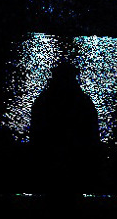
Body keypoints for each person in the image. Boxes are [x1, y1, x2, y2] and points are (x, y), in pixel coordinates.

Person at [30, 62, 103, 204]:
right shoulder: (83, 102)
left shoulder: (43, 101)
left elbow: (36, 133)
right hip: (76, 161)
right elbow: (92, 133)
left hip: (51, 161)